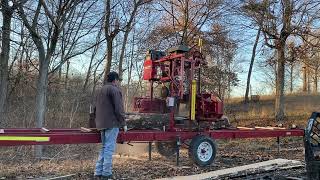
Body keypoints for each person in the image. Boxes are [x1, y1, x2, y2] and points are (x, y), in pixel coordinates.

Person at [94, 71, 125, 179]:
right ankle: (106, 174)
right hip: (111, 124)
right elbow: (119, 108)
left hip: (101, 123)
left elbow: (95, 108)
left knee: (103, 148)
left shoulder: (100, 90)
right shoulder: (114, 90)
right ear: (115, 80)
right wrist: (123, 122)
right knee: (109, 149)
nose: (118, 82)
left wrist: (96, 122)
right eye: (118, 80)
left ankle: (98, 172)